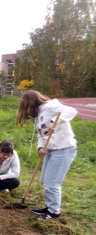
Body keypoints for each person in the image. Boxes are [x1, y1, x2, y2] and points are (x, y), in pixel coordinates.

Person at [16, 90, 77, 220]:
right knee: (45, 180)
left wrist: (55, 121)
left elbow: (71, 111)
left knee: (52, 183)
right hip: (50, 150)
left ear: (31, 104)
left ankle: (54, 211)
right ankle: (49, 207)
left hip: (63, 149)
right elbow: (41, 134)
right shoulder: (39, 114)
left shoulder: (51, 106)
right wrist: (40, 148)